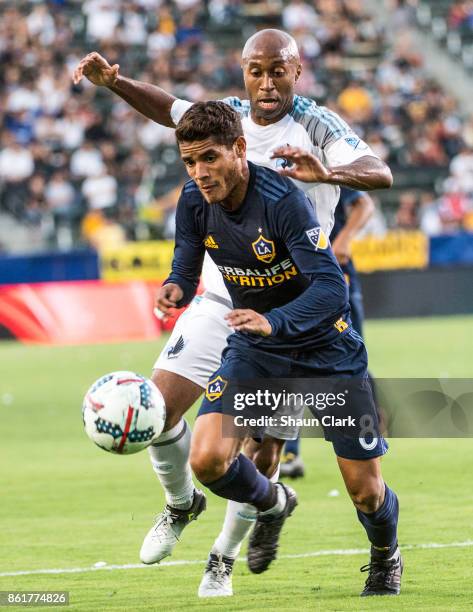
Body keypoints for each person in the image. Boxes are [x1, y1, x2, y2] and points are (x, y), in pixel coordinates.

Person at [73, 29, 393, 597]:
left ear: (298, 72)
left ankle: (225, 554)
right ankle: (182, 505)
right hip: (228, 300)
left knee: (268, 452)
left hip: (304, 307)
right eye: (255, 70)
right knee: (157, 410)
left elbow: (379, 172)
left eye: (278, 70)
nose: (266, 82)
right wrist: (115, 81)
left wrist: (326, 172)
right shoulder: (225, 121)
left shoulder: (319, 127)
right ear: (243, 72)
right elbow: (171, 111)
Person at [157, 100, 402, 597]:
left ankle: (385, 554)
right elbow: (186, 260)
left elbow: (331, 288)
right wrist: (175, 287)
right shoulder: (193, 199)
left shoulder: (282, 201)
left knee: (366, 491)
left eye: (209, 159)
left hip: (325, 348)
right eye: (189, 162)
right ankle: (272, 502)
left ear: (240, 150)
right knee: (207, 461)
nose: (200, 173)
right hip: (257, 347)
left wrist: (274, 320)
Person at [281, 188, 375, 478]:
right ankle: (289, 451)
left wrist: (344, 239)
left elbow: (364, 204)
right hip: (296, 278)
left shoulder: (320, 161)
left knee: (350, 357)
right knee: (290, 364)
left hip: (335, 274)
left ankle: (366, 430)